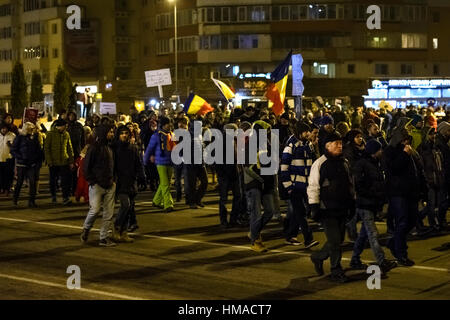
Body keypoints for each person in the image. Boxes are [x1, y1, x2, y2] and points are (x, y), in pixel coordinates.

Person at [308, 132, 355, 283]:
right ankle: (336, 269)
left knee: (338, 240)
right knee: (335, 241)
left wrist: (352, 202)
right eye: (336, 143)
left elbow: (350, 184)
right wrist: (314, 206)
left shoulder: (344, 162)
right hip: (327, 209)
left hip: (342, 207)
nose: (340, 146)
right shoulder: (319, 163)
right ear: (327, 146)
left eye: (340, 143)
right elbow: (313, 186)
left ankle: (318, 257)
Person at [350, 139, 397, 273]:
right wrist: (372, 195)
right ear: (373, 152)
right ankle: (381, 261)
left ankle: (355, 259)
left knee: (364, 234)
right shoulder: (362, 164)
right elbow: (359, 185)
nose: (381, 151)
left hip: (371, 203)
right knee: (372, 233)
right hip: (365, 203)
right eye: (379, 149)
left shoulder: (374, 163)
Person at [383, 122, 421, 266]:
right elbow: (393, 169)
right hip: (397, 192)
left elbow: (415, 170)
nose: (407, 142)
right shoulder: (390, 151)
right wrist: (405, 154)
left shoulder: (408, 150)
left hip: (410, 192)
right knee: (402, 221)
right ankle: (401, 253)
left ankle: (393, 243)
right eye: (404, 139)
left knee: (412, 220)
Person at [280, 121, 319, 248]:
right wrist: (289, 187)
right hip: (295, 185)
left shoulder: (307, 145)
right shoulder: (291, 146)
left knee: (300, 211)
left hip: (305, 185)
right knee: (301, 212)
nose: (308, 134)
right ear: (299, 132)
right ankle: (308, 239)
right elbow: (284, 168)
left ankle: (290, 235)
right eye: (306, 131)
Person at [80, 124, 117, 247]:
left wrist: (113, 180)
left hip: (110, 184)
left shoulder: (110, 147)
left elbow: (113, 166)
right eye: (110, 132)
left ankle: (104, 237)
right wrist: (92, 181)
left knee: (108, 213)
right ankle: (86, 228)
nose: (112, 134)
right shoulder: (94, 148)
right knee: (94, 210)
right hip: (97, 185)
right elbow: (86, 167)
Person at [243, 120, 276, 252]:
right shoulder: (250, 144)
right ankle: (255, 241)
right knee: (255, 213)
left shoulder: (267, 144)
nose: (268, 133)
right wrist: (260, 178)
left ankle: (254, 231)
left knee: (270, 211)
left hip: (266, 183)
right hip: (254, 184)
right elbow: (247, 168)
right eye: (266, 130)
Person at [112, 125, 146, 243]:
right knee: (125, 205)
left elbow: (138, 163)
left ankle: (124, 231)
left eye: (126, 133)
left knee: (130, 207)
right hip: (120, 182)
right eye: (122, 133)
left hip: (131, 181)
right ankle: (116, 228)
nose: (124, 135)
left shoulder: (133, 148)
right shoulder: (114, 148)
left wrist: (142, 177)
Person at [143, 116, 175, 213]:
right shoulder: (156, 135)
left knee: (165, 184)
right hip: (161, 162)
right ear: (163, 125)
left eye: (170, 124)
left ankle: (156, 201)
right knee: (165, 184)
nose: (169, 126)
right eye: (167, 124)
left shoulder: (171, 135)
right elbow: (149, 149)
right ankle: (168, 204)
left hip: (170, 162)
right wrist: (145, 161)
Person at [417, 127, 445, 232]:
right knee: (431, 204)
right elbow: (422, 166)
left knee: (434, 204)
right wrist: (426, 180)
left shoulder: (436, 147)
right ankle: (431, 223)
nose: (433, 136)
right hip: (429, 180)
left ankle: (422, 219)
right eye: (431, 134)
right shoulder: (423, 148)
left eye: (434, 134)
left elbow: (440, 164)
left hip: (437, 178)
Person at [10, 122, 43, 208]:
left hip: (31, 164)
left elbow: (38, 150)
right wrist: (20, 157)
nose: (32, 130)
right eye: (30, 129)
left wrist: (37, 159)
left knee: (32, 183)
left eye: (32, 129)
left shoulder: (34, 138)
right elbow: (13, 150)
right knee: (20, 182)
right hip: (22, 164)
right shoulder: (20, 138)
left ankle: (31, 201)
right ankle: (15, 199)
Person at [44, 118, 74, 205]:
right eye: (65, 126)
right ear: (60, 126)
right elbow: (46, 148)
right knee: (53, 180)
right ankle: (53, 196)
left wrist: (71, 161)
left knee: (65, 181)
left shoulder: (66, 134)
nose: (66, 127)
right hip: (53, 162)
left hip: (64, 161)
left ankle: (65, 197)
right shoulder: (50, 134)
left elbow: (69, 148)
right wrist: (49, 161)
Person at [435, 121, 450, 229]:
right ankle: (441, 220)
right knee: (443, 199)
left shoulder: (444, 141)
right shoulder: (440, 143)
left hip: (445, 174)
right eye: (448, 130)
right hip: (443, 175)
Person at [67, 111, 86, 196]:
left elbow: (83, 139)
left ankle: (74, 189)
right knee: (68, 173)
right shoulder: (66, 125)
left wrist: (83, 150)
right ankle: (68, 189)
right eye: (70, 115)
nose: (71, 117)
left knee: (76, 172)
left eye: (73, 115)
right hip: (67, 152)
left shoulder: (79, 126)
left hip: (77, 151)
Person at [0, 123, 16, 196]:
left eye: (5, 128)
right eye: (2, 128)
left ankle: (7, 189)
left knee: (8, 175)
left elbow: (15, 146)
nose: (4, 129)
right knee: (1, 175)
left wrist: (11, 145)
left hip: (9, 159)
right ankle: (2, 188)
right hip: (0, 158)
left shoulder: (12, 135)